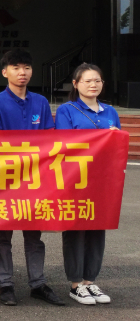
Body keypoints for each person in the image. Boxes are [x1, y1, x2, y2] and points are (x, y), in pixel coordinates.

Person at [0, 49, 64, 306]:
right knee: (3, 236)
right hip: (6, 179)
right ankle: (5, 284)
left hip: (35, 178)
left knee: (34, 235)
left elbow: (49, 137)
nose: (22, 72)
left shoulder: (40, 102)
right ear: (4, 72)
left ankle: (38, 283)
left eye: (27, 68)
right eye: (16, 67)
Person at [54, 63, 118, 306]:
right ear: (76, 84)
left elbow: (118, 147)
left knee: (97, 228)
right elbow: (64, 142)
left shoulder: (110, 111)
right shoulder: (67, 110)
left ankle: (90, 281)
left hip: (103, 180)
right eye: (88, 81)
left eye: (97, 81)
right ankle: (76, 284)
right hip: (76, 179)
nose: (93, 85)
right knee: (75, 229)